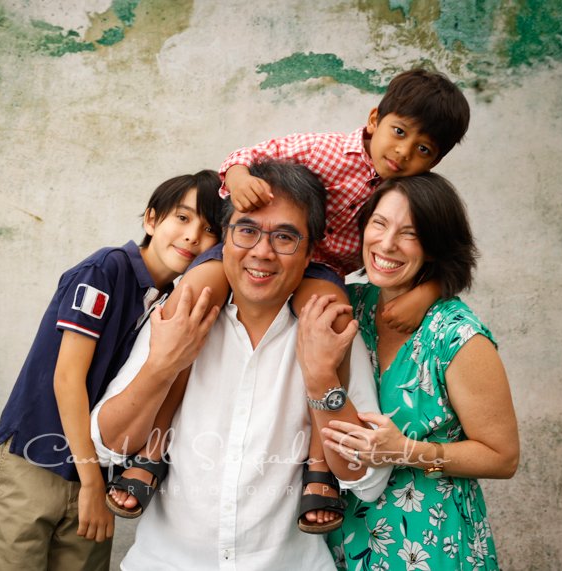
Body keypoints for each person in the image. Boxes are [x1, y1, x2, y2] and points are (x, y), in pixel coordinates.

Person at [110, 68, 472, 532]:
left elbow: (446, 251)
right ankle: (151, 449)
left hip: (315, 271)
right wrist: (239, 178)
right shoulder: (328, 151)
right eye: (398, 133)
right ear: (373, 119)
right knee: (192, 304)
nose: (403, 152)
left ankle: (318, 464)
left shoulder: (402, 196)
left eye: (423, 149)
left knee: (331, 323)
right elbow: (248, 156)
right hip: (262, 250)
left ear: (435, 160)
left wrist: (425, 292)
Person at [90, 160, 393, 569]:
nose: (263, 252)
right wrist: (162, 366)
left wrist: (322, 379)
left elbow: (368, 482)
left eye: (285, 237)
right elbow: (107, 446)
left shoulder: (330, 331)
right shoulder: (182, 316)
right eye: (247, 230)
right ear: (225, 239)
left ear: (309, 254)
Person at [0, 170, 224, 570]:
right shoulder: (107, 270)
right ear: (151, 220)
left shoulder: (171, 302)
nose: (192, 236)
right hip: (35, 461)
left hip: (98, 472)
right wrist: (93, 482)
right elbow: (67, 378)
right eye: (182, 218)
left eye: (209, 228)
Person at [319, 173, 519, 570]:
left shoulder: (457, 336)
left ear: (434, 247)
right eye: (379, 223)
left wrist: (409, 452)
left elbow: (502, 457)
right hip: (344, 538)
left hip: (431, 541)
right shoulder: (349, 305)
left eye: (409, 233)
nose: (387, 243)